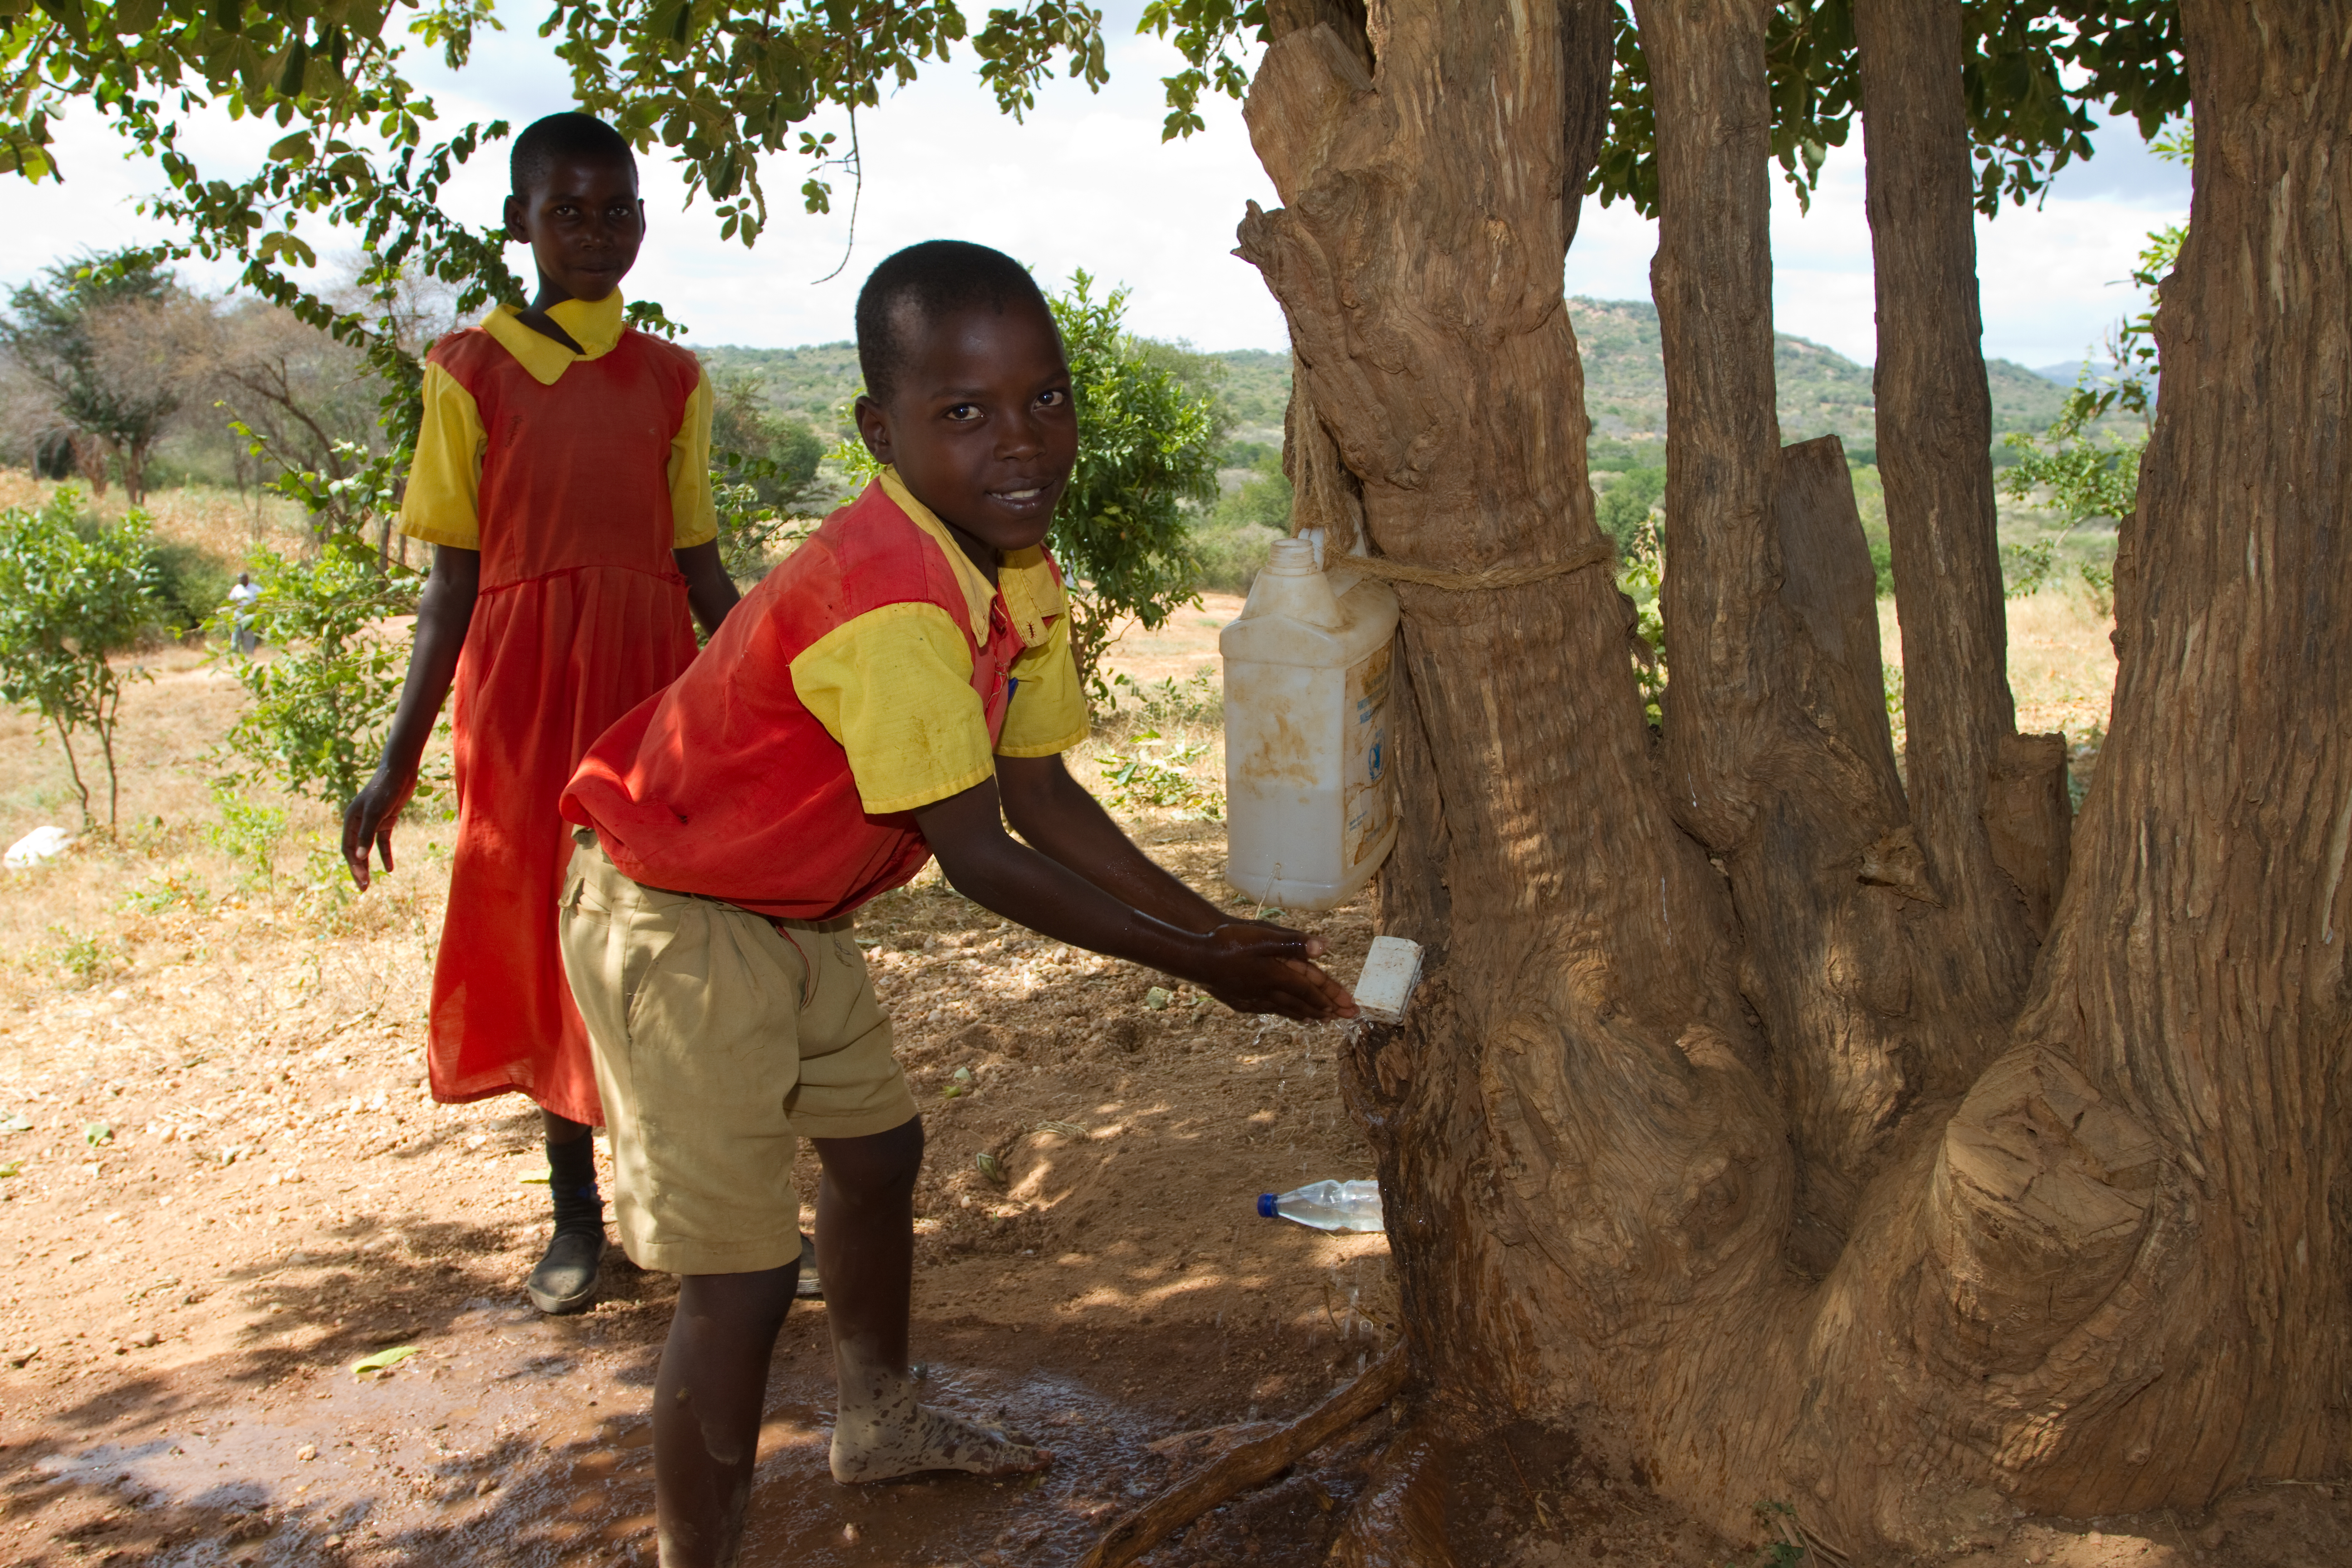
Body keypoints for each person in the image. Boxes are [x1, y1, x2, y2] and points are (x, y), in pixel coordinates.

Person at [554, 239, 1356, 1565]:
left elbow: (1042, 792)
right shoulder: (889, 599)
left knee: (878, 1156)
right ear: (882, 430)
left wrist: (1213, 929)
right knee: (741, 1275)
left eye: (1046, 398)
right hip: (674, 917)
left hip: (791, 912)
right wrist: (1197, 964)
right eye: (965, 411)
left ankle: (878, 1420)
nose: (1021, 441)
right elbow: (982, 853)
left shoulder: (1013, 566)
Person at [340, 112, 741, 1318]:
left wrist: (787, 684)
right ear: (520, 222)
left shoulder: (674, 380)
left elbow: (701, 567)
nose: (595, 232)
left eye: (617, 210)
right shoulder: (469, 371)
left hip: (647, 694)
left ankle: (712, 1211)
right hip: (519, 700)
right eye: (568, 210)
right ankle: (576, 1219)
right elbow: (448, 586)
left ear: (643, 223)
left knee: (670, 939)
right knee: (546, 937)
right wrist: (397, 761)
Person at [225, 572, 260, 657]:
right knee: (235, 635)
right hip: (238, 614)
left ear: (247, 579)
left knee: (248, 636)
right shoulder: (236, 588)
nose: (240, 580)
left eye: (242, 579)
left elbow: (261, 599)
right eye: (239, 579)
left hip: (249, 615)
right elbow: (231, 599)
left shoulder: (255, 588)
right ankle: (234, 655)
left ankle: (249, 655)